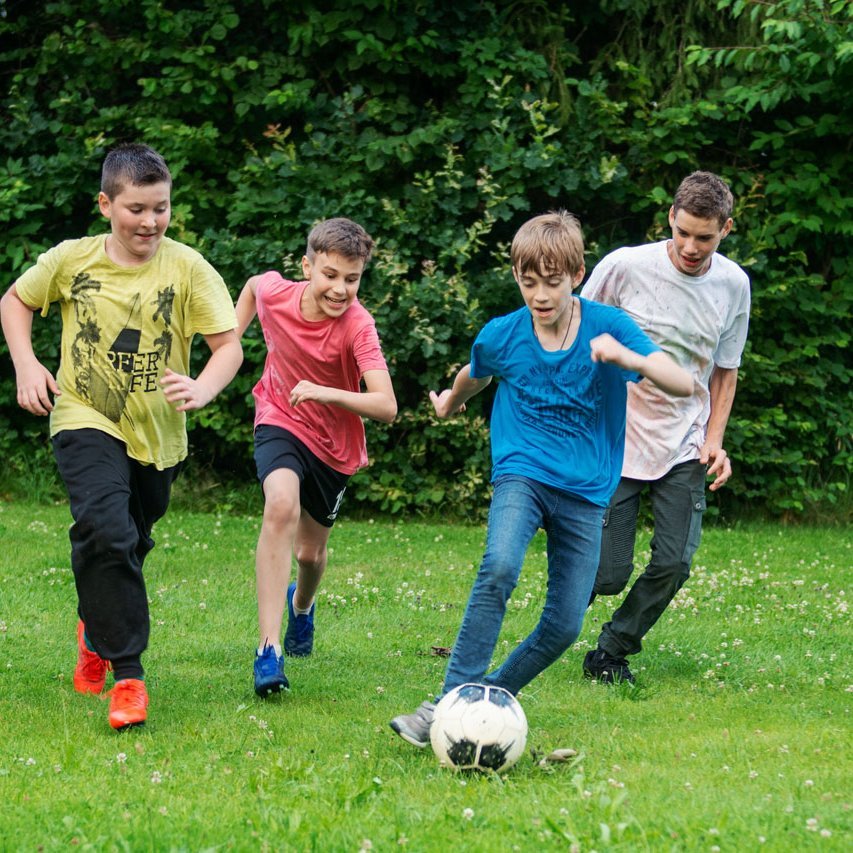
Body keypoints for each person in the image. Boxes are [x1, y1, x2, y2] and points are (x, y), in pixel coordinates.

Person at [389, 211, 693, 747]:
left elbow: (682, 380)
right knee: (500, 564)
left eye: (552, 282)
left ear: (576, 274)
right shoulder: (503, 334)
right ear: (517, 279)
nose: (540, 294)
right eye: (529, 282)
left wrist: (629, 358)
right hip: (522, 473)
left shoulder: (608, 328)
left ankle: (488, 700)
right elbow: (475, 373)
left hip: (586, 492)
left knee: (565, 625)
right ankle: (445, 705)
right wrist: (448, 404)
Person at [0, 143, 243, 730]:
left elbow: (227, 345)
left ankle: (95, 624)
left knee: (126, 543)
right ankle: (129, 676)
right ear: (106, 204)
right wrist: (28, 366)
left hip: (159, 435)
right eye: (137, 208)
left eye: (160, 208)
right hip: (84, 413)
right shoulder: (71, 260)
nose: (150, 222)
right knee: (107, 529)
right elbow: (15, 300)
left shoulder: (187, 267)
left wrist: (205, 388)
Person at [580, 171, 751, 684]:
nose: (691, 247)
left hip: (684, 442)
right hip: (617, 434)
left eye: (705, 237)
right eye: (682, 232)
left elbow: (726, 368)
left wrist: (714, 439)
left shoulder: (733, 284)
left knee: (675, 562)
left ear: (726, 229)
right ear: (670, 219)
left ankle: (611, 650)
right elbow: (577, 329)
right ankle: (555, 614)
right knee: (607, 574)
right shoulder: (625, 266)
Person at [235, 217, 397, 697]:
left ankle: (301, 608)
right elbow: (251, 288)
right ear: (307, 266)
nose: (340, 289)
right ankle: (268, 650)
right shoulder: (276, 294)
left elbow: (386, 405)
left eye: (352, 279)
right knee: (280, 504)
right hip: (280, 416)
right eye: (330, 275)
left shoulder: (358, 326)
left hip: (334, 446)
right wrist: (231, 341)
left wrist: (328, 392)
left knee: (310, 553)